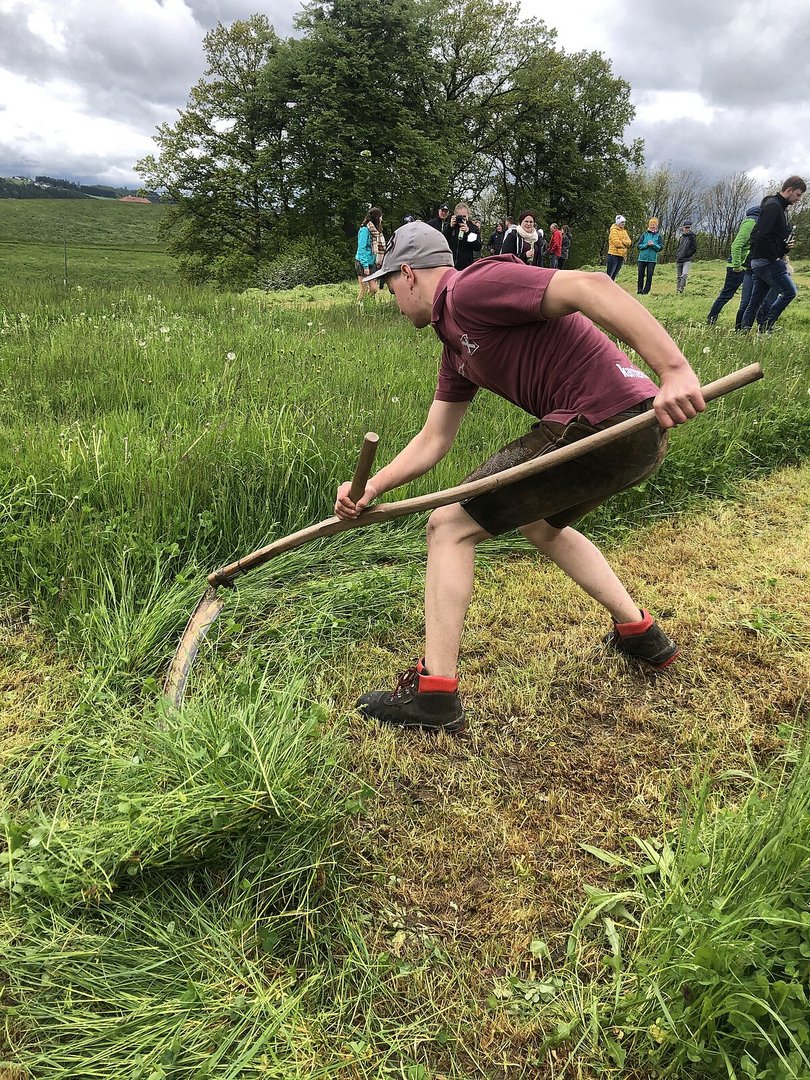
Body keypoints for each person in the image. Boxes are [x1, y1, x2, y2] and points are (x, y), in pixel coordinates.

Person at [335, 222, 706, 733]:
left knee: (448, 526)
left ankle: (434, 696)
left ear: (409, 273)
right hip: (633, 433)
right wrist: (372, 488)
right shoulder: (455, 348)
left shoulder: (471, 288)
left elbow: (590, 285)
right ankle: (641, 633)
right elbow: (435, 439)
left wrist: (675, 369)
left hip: (604, 420)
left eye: (390, 284)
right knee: (540, 525)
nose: (391, 298)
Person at [739, 175, 806, 333]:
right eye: (798, 195)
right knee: (789, 292)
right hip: (766, 261)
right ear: (789, 190)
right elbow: (762, 236)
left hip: (761, 260)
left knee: (756, 300)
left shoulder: (779, 208)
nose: (799, 199)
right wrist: (775, 258)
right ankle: (766, 326)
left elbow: (771, 236)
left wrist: (785, 246)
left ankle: (743, 332)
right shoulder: (774, 207)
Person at [706, 206, 770, 329]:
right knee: (726, 295)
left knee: (749, 300)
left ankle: (743, 326)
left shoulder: (755, 223)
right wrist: (736, 265)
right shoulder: (751, 223)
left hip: (749, 267)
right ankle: (711, 319)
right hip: (738, 267)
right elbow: (736, 245)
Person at [355, 207, 383, 300]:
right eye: (380, 217)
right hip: (362, 262)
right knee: (364, 289)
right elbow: (361, 248)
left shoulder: (375, 231)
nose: (381, 219)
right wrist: (365, 266)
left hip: (372, 262)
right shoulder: (365, 230)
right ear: (377, 217)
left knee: (373, 289)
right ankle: (359, 305)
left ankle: (367, 303)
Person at [443, 203, 482, 270]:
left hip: (466, 267)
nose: (462, 219)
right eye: (459, 216)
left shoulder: (473, 228)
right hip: (450, 265)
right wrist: (450, 227)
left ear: (468, 215)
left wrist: (468, 232)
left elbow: (477, 247)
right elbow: (442, 241)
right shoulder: (450, 227)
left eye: (464, 216)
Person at [635, 218, 663, 295]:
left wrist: (653, 245)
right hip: (642, 258)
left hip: (652, 260)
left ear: (656, 226)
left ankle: (646, 291)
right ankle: (639, 290)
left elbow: (660, 248)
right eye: (651, 225)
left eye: (654, 226)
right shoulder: (644, 234)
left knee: (649, 276)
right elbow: (639, 246)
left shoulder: (659, 236)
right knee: (640, 275)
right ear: (649, 226)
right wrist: (647, 245)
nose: (652, 227)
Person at [606, 215, 632, 279]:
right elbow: (616, 243)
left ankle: (611, 285)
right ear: (618, 222)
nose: (623, 224)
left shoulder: (624, 231)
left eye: (624, 222)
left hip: (621, 256)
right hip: (613, 255)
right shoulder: (613, 231)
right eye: (622, 222)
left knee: (614, 275)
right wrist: (624, 244)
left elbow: (629, 242)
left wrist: (622, 241)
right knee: (609, 276)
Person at [675, 221, 697, 294]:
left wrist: (687, 254)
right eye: (686, 227)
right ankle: (678, 291)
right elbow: (679, 247)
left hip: (687, 259)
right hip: (679, 259)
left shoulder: (692, 236)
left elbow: (694, 248)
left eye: (688, 227)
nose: (687, 229)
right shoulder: (681, 237)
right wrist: (678, 254)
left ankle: (681, 288)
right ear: (683, 228)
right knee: (679, 276)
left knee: (684, 275)